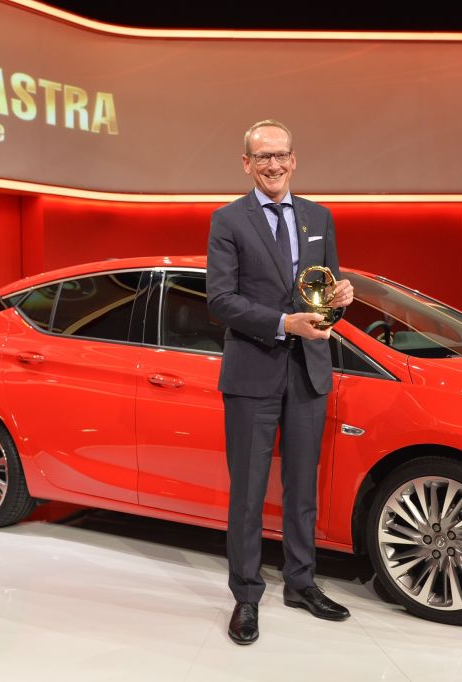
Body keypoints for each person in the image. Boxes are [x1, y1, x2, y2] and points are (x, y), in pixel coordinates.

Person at [206, 119, 354, 645]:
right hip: (253, 370)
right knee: (248, 493)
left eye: (281, 155)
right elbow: (220, 300)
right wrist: (282, 324)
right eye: (263, 156)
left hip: (308, 370)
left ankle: (301, 583)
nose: (273, 165)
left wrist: (341, 298)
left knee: (302, 488)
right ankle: (246, 595)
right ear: (247, 163)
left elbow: (326, 290)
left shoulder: (319, 217)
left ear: (294, 159)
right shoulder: (228, 220)